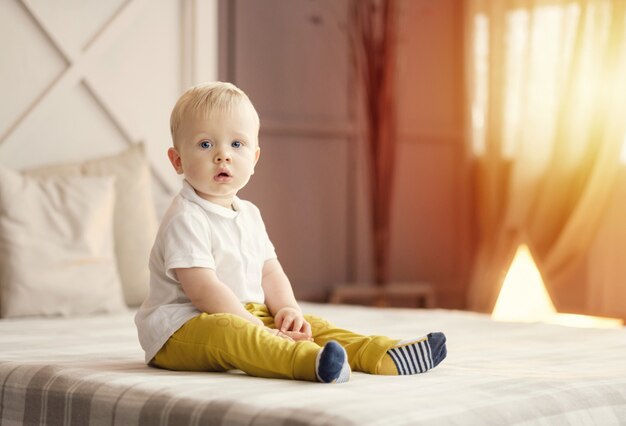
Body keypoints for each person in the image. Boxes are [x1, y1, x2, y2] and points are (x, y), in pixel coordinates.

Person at [135, 81, 447, 383]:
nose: (223, 155)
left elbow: (269, 271)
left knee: (311, 325)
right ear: (177, 161)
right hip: (181, 328)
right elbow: (203, 291)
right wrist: (257, 327)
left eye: (236, 144)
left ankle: (380, 354)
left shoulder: (249, 215)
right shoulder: (186, 217)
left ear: (254, 158)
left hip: (243, 313)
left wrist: (287, 310)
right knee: (232, 334)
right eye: (205, 144)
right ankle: (308, 362)